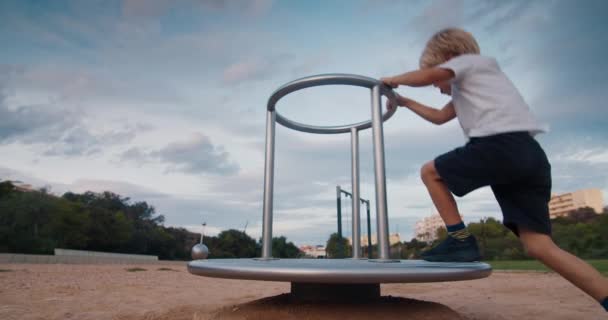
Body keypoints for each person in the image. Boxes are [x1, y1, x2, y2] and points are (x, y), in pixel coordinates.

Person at [380, 28, 608, 312]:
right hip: (529, 158)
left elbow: (430, 76)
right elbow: (439, 117)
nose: (436, 87)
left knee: (430, 172)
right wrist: (404, 102)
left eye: (437, 77)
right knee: (539, 247)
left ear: (449, 57)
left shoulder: (474, 62)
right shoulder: (470, 91)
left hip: (502, 146)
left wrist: (391, 80)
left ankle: (460, 240)